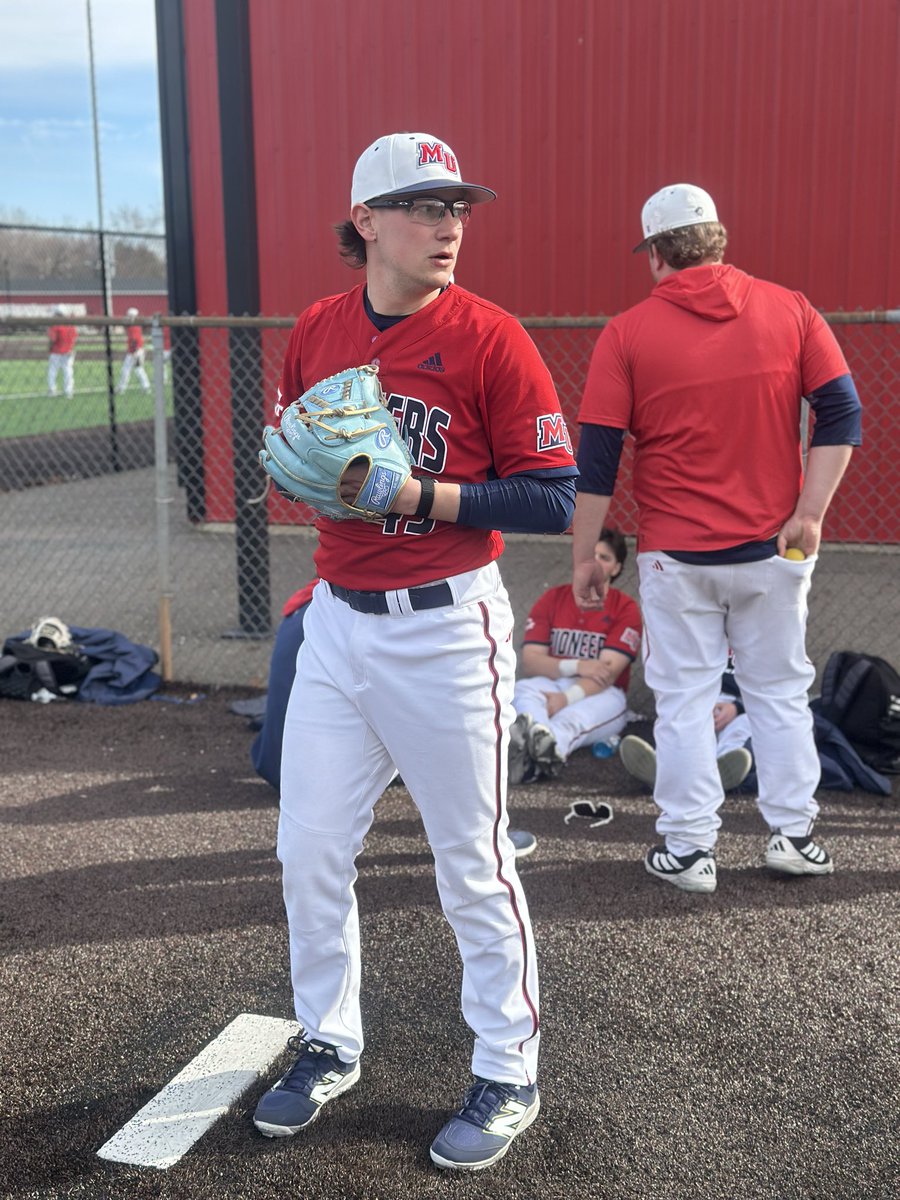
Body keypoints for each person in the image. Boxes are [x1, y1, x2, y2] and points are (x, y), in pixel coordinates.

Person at [252, 132, 578, 1170]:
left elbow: (552, 496)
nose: (449, 226)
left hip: (446, 629)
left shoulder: (490, 337)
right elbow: (295, 466)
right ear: (365, 222)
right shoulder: (318, 328)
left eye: (458, 208)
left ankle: (508, 1065)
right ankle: (328, 1037)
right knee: (308, 848)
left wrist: (415, 495)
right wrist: (297, 479)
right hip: (340, 623)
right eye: (424, 206)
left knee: (471, 864)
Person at [572, 182, 862, 893]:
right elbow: (842, 413)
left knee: (684, 700)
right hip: (773, 549)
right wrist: (812, 510)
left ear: (656, 255)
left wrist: (586, 554)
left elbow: (598, 460)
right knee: (780, 694)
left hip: (678, 556)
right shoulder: (791, 309)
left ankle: (689, 850)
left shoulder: (627, 332)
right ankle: (794, 837)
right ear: (718, 238)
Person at [248, 581, 539, 858]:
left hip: (278, 767)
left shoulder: (311, 607)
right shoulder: (364, 611)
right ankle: (488, 837)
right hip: (401, 634)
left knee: (313, 845)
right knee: (464, 818)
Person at [509, 526, 642, 783]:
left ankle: (534, 753)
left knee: (572, 719)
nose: (595, 563)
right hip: (553, 682)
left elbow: (605, 674)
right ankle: (538, 752)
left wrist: (565, 698)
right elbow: (531, 661)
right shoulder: (553, 598)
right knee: (522, 689)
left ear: (616, 569)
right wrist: (579, 665)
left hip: (601, 694)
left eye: (605, 558)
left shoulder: (625, 608)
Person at [619, 657, 753, 792]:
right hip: (702, 694)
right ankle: (663, 769)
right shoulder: (704, 637)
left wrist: (738, 706)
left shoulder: (762, 638)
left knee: (741, 727)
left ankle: (721, 774)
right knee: (682, 719)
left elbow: (769, 690)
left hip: (744, 703)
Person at [117, 308, 151, 394]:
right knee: (138, 369)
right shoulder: (136, 325)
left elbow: (134, 339)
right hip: (138, 350)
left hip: (134, 351)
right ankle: (146, 386)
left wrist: (134, 351)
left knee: (126, 370)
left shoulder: (133, 326)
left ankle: (122, 388)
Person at [47, 307, 77, 399]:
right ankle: (69, 391)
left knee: (53, 371)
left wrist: (49, 347)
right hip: (68, 351)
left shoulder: (55, 326)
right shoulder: (70, 326)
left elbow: (52, 339)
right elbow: (74, 338)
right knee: (68, 371)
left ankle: (52, 390)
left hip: (56, 351)